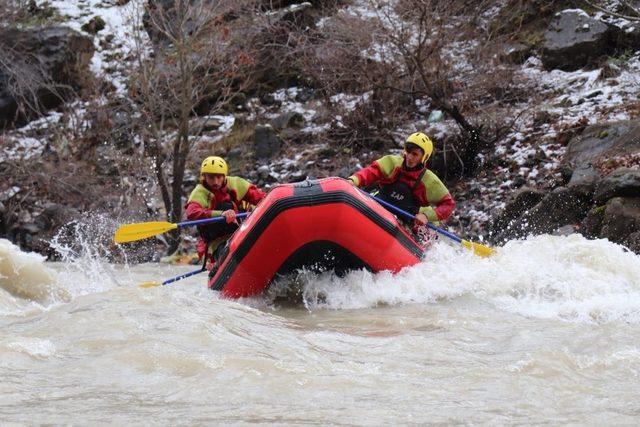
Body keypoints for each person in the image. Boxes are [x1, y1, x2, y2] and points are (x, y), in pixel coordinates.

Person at [347, 132, 455, 244]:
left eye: (414, 154)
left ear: (424, 157)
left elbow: (448, 204)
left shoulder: (429, 181)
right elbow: (370, 172)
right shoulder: (392, 162)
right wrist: (353, 180)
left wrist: (426, 216)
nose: (409, 157)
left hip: (404, 222)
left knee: (424, 234)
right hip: (378, 207)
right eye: (408, 152)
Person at [185, 156, 266, 272]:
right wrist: (221, 214)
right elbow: (192, 213)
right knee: (225, 208)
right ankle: (218, 265)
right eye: (211, 177)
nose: (215, 182)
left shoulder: (236, 184)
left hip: (244, 232)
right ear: (204, 177)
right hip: (218, 242)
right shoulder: (200, 192)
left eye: (219, 177)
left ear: (224, 176)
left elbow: (262, 198)